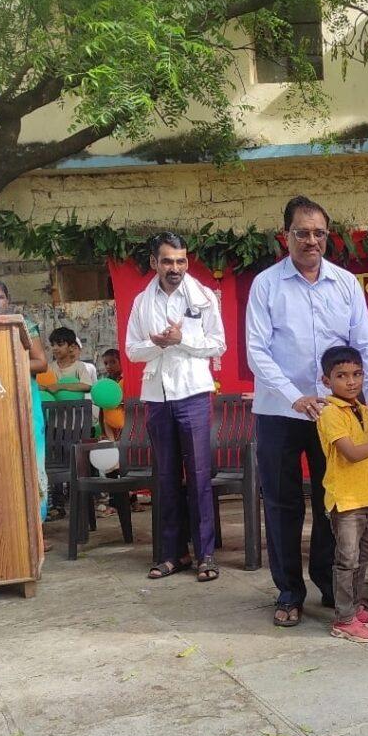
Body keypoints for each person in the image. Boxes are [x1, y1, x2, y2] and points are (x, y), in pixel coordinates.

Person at [246, 195, 368, 628]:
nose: (311, 241)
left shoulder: (345, 283)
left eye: (319, 233)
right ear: (284, 236)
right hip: (280, 414)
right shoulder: (266, 285)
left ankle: (331, 587)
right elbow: (256, 350)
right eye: (302, 233)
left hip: (337, 416)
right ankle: (289, 591)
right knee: (284, 505)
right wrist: (295, 396)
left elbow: (366, 345)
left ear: (328, 237)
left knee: (337, 504)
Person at [126, 231, 226, 582]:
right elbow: (131, 350)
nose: (175, 268)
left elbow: (218, 345)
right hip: (157, 396)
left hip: (194, 394)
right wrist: (156, 345)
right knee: (166, 477)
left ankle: (206, 555)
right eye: (167, 261)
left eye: (181, 260)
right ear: (154, 262)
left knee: (198, 476)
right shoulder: (142, 301)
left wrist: (183, 339)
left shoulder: (203, 298)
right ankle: (172, 554)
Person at [316, 346, 368, 642]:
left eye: (357, 374)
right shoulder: (329, 413)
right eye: (341, 376)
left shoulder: (365, 410)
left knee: (365, 555)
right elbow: (352, 454)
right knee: (347, 560)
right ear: (326, 381)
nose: (351, 382)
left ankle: (354, 608)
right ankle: (343, 619)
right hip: (346, 500)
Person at [0, 277, 51, 541]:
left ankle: (36, 534)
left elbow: (41, 363)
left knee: (31, 465)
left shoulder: (22, 325)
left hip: (22, 402)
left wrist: (3, 364)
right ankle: (3, 535)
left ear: (7, 300)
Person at [44, 327, 96, 395]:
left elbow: (87, 386)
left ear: (71, 347)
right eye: (53, 345)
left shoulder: (79, 366)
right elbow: (45, 387)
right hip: (55, 405)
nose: (55, 348)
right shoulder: (49, 367)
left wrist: (60, 386)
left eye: (60, 345)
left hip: (76, 405)